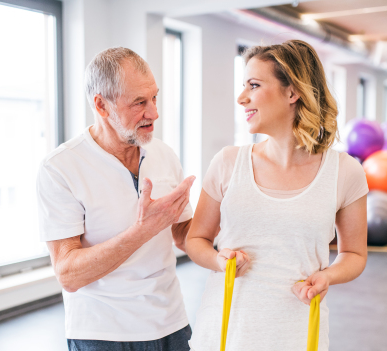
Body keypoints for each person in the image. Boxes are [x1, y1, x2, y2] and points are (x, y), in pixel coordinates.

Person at [186, 40, 369, 350]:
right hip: (225, 330)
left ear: (292, 92)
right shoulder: (228, 162)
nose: (241, 98)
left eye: (254, 85)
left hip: (297, 333)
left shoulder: (345, 172)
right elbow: (195, 240)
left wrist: (328, 277)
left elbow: (354, 254)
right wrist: (219, 259)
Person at [37, 47, 195, 351]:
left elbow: (184, 234)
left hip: (171, 325)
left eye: (154, 98)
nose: (154, 113)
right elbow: (68, 273)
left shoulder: (163, 154)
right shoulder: (60, 168)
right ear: (102, 105)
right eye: (139, 102)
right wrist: (142, 232)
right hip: (103, 334)